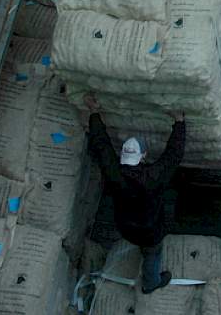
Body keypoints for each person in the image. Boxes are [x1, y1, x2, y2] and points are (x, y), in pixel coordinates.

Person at [84, 94, 186, 294]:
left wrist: (94, 112)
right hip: (150, 230)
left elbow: (102, 145)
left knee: (145, 246)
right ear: (144, 156)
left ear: (122, 155)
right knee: (152, 253)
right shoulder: (153, 176)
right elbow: (173, 154)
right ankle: (151, 283)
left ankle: (142, 253)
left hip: (125, 226)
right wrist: (179, 122)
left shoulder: (113, 172)